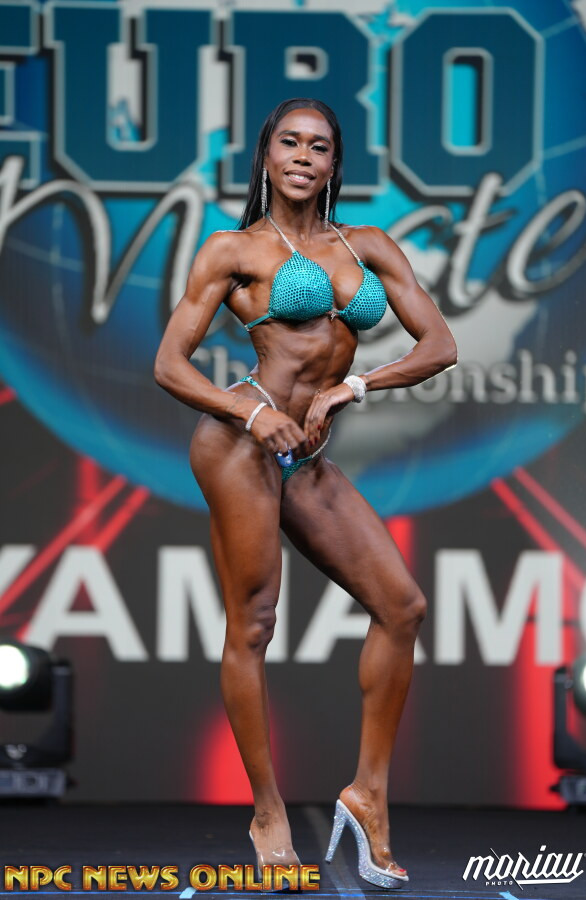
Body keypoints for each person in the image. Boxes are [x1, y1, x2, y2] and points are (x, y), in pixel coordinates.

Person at [154, 97, 457, 889]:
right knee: (254, 624)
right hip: (239, 447)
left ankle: (368, 794)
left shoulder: (368, 245)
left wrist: (358, 384)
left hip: (310, 457)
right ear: (266, 155)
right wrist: (252, 414)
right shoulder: (233, 250)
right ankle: (267, 812)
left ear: (333, 164)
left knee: (402, 607)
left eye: (318, 147)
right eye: (288, 142)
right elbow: (170, 364)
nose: (302, 156)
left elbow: (439, 345)